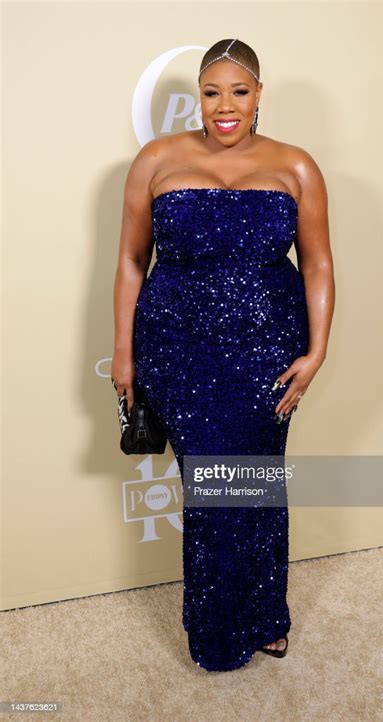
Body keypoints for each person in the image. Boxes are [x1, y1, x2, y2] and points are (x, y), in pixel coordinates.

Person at [111, 38, 334, 672]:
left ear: (260, 94)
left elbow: (317, 262)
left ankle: (266, 616)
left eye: (239, 91)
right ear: (198, 98)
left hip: (268, 351)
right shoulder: (157, 159)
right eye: (212, 92)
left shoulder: (296, 166)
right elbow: (131, 261)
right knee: (212, 489)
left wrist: (317, 352)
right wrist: (123, 356)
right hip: (177, 350)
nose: (225, 106)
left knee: (258, 483)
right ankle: (218, 633)